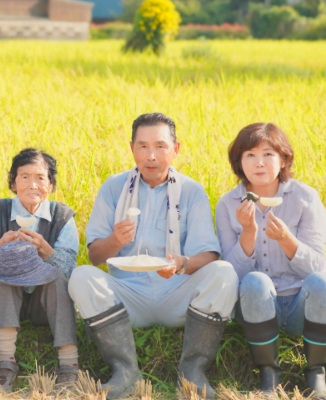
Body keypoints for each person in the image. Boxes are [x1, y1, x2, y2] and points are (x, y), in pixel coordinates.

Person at [68, 113, 238, 399]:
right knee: (81, 275)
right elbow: (95, 255)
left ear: (176, 149)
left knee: (224, 273)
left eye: (160, 146)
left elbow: (208, 254)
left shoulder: (190, 190)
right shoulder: (114, 187)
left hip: (177, 295)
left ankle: (193, 371)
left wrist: (182, 264)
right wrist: (115, 240)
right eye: (143, 146)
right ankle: (125, 372)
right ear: (132, 148)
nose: (151, 155)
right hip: (126, 299)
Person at [215, 123, 326, 400]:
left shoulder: (306, 198)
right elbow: (229, 276)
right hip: (256, 308)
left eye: (268, 154)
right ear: (239, 162)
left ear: (283, 159)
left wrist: (286, 239)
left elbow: (318, 267)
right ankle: (268, 373)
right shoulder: (227, 204)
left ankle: (316, 374)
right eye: (249, 155)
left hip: (301, 309)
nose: (259, 163)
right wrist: (248, 233)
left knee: (321, 282)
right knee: (255, 280)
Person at [0, 148, 79, 391]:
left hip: (43, 304)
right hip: (1, 299)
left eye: (40, 177)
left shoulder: (63, 217)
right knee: (4, 270)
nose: (33, 184)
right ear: (13, 182)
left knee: (58, 275)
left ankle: (69, 363)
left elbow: (70, 271)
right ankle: (5, 361)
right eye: (25, 177)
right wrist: (0, 248)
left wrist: (47, 251)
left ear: (50, 184)